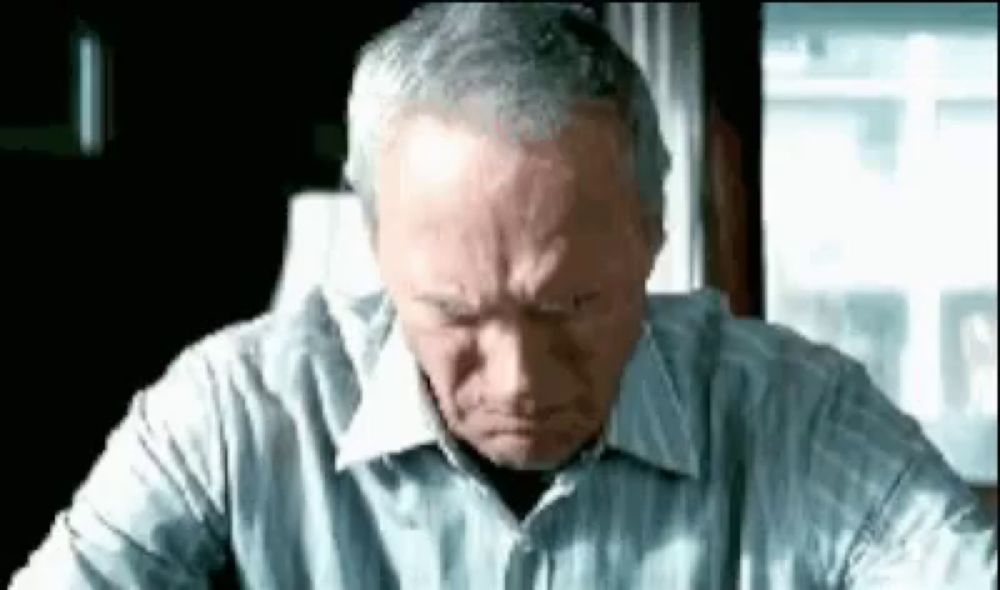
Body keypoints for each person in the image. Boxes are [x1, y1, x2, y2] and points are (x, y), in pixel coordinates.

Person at [11, 4, 996, 588]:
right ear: (376, 243)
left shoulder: (797, 419)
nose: (520, 380)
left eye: (570, 305)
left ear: (652, 235)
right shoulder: (231, 417)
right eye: (453, 312)